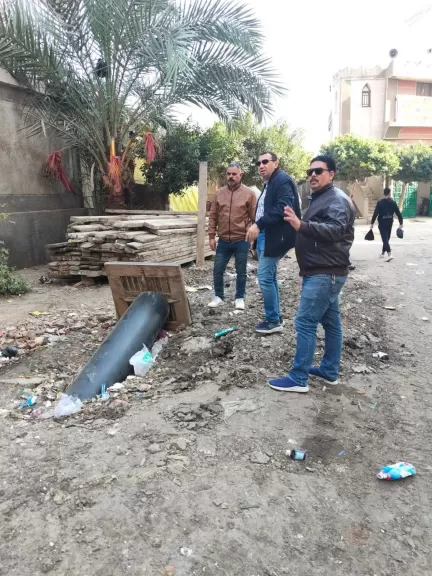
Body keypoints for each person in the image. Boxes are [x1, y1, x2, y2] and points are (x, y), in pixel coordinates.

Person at [267, 155, 355, 393]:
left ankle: (298, 378)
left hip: (325, 272)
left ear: (331, 174)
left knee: (305, 322)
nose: (313, 175)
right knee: (331, 323)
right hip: (322, 271)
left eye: (319, 171)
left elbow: (335, 230)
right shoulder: (321, 198)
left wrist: (301, 225)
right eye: (310, 172)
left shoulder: (336, 199)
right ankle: (329, 371)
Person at [246, 152, 300, 334]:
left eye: (265, 162)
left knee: (264, 277)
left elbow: (283, 207)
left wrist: (258, 224)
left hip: (274, 235)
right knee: (270, 277)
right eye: (258, 163)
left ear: (276, 163)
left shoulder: (282, 180)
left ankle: (273, 320)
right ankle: (275, 316)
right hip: (267, 234)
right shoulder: (270, 182)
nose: (261, 165)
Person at [208, 162, 257, 310]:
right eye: (228, 174)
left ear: (240, 175)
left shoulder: (249, 194)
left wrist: (252, 238)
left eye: (234, 174)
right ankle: (218, 296)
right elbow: (213, 216)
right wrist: (211, 236)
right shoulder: (219, 193)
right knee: (218, 269)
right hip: (223, 240)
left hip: (241, 240)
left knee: (241, 271)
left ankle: (239, 297)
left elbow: (254, 218)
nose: (231, 176)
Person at [370, 187, 403, 262]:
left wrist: (372, 223)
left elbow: (375, 214)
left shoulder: (380, 203)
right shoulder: (393, 202)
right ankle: (382, 253)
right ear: (389, 193)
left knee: (385, 239)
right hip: (390, 222)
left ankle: (389, 254)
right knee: (386, 238)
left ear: (384, 193)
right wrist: (401, 222)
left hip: (382, 223)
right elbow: (398, 213)